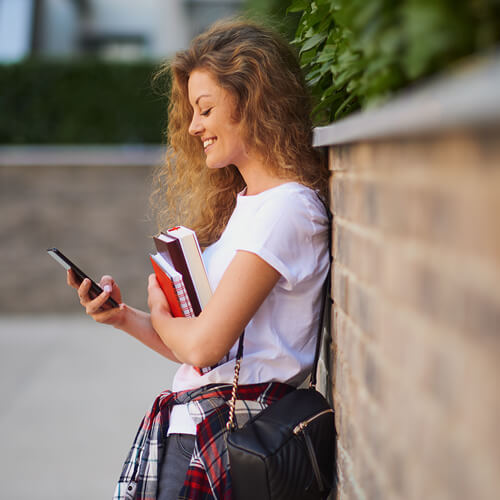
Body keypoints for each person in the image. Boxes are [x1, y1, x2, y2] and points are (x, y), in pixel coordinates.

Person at [67, 19, 330, 500]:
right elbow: (201, 354)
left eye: (205, 109)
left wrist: (164, 315)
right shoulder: (250, 205)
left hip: (229, 443)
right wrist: (125, 318)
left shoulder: (287, 210)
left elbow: (204, 347)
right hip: (200, 432)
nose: (193, 126)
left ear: (250, 101)